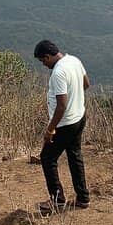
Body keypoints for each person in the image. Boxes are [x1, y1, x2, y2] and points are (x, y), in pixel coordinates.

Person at [34, 39, 91, 214]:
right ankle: (83, 198)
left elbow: (61, 105)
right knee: (75, 156)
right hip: (79, 117)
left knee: (47, 158)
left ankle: (57, 201)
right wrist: (76, 97)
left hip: (65, 124)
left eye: (43, 60)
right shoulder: (74, 60)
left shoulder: (58, 72)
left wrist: (50, 129)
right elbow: (86, 84)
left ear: (48, 56)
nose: (44, 64)